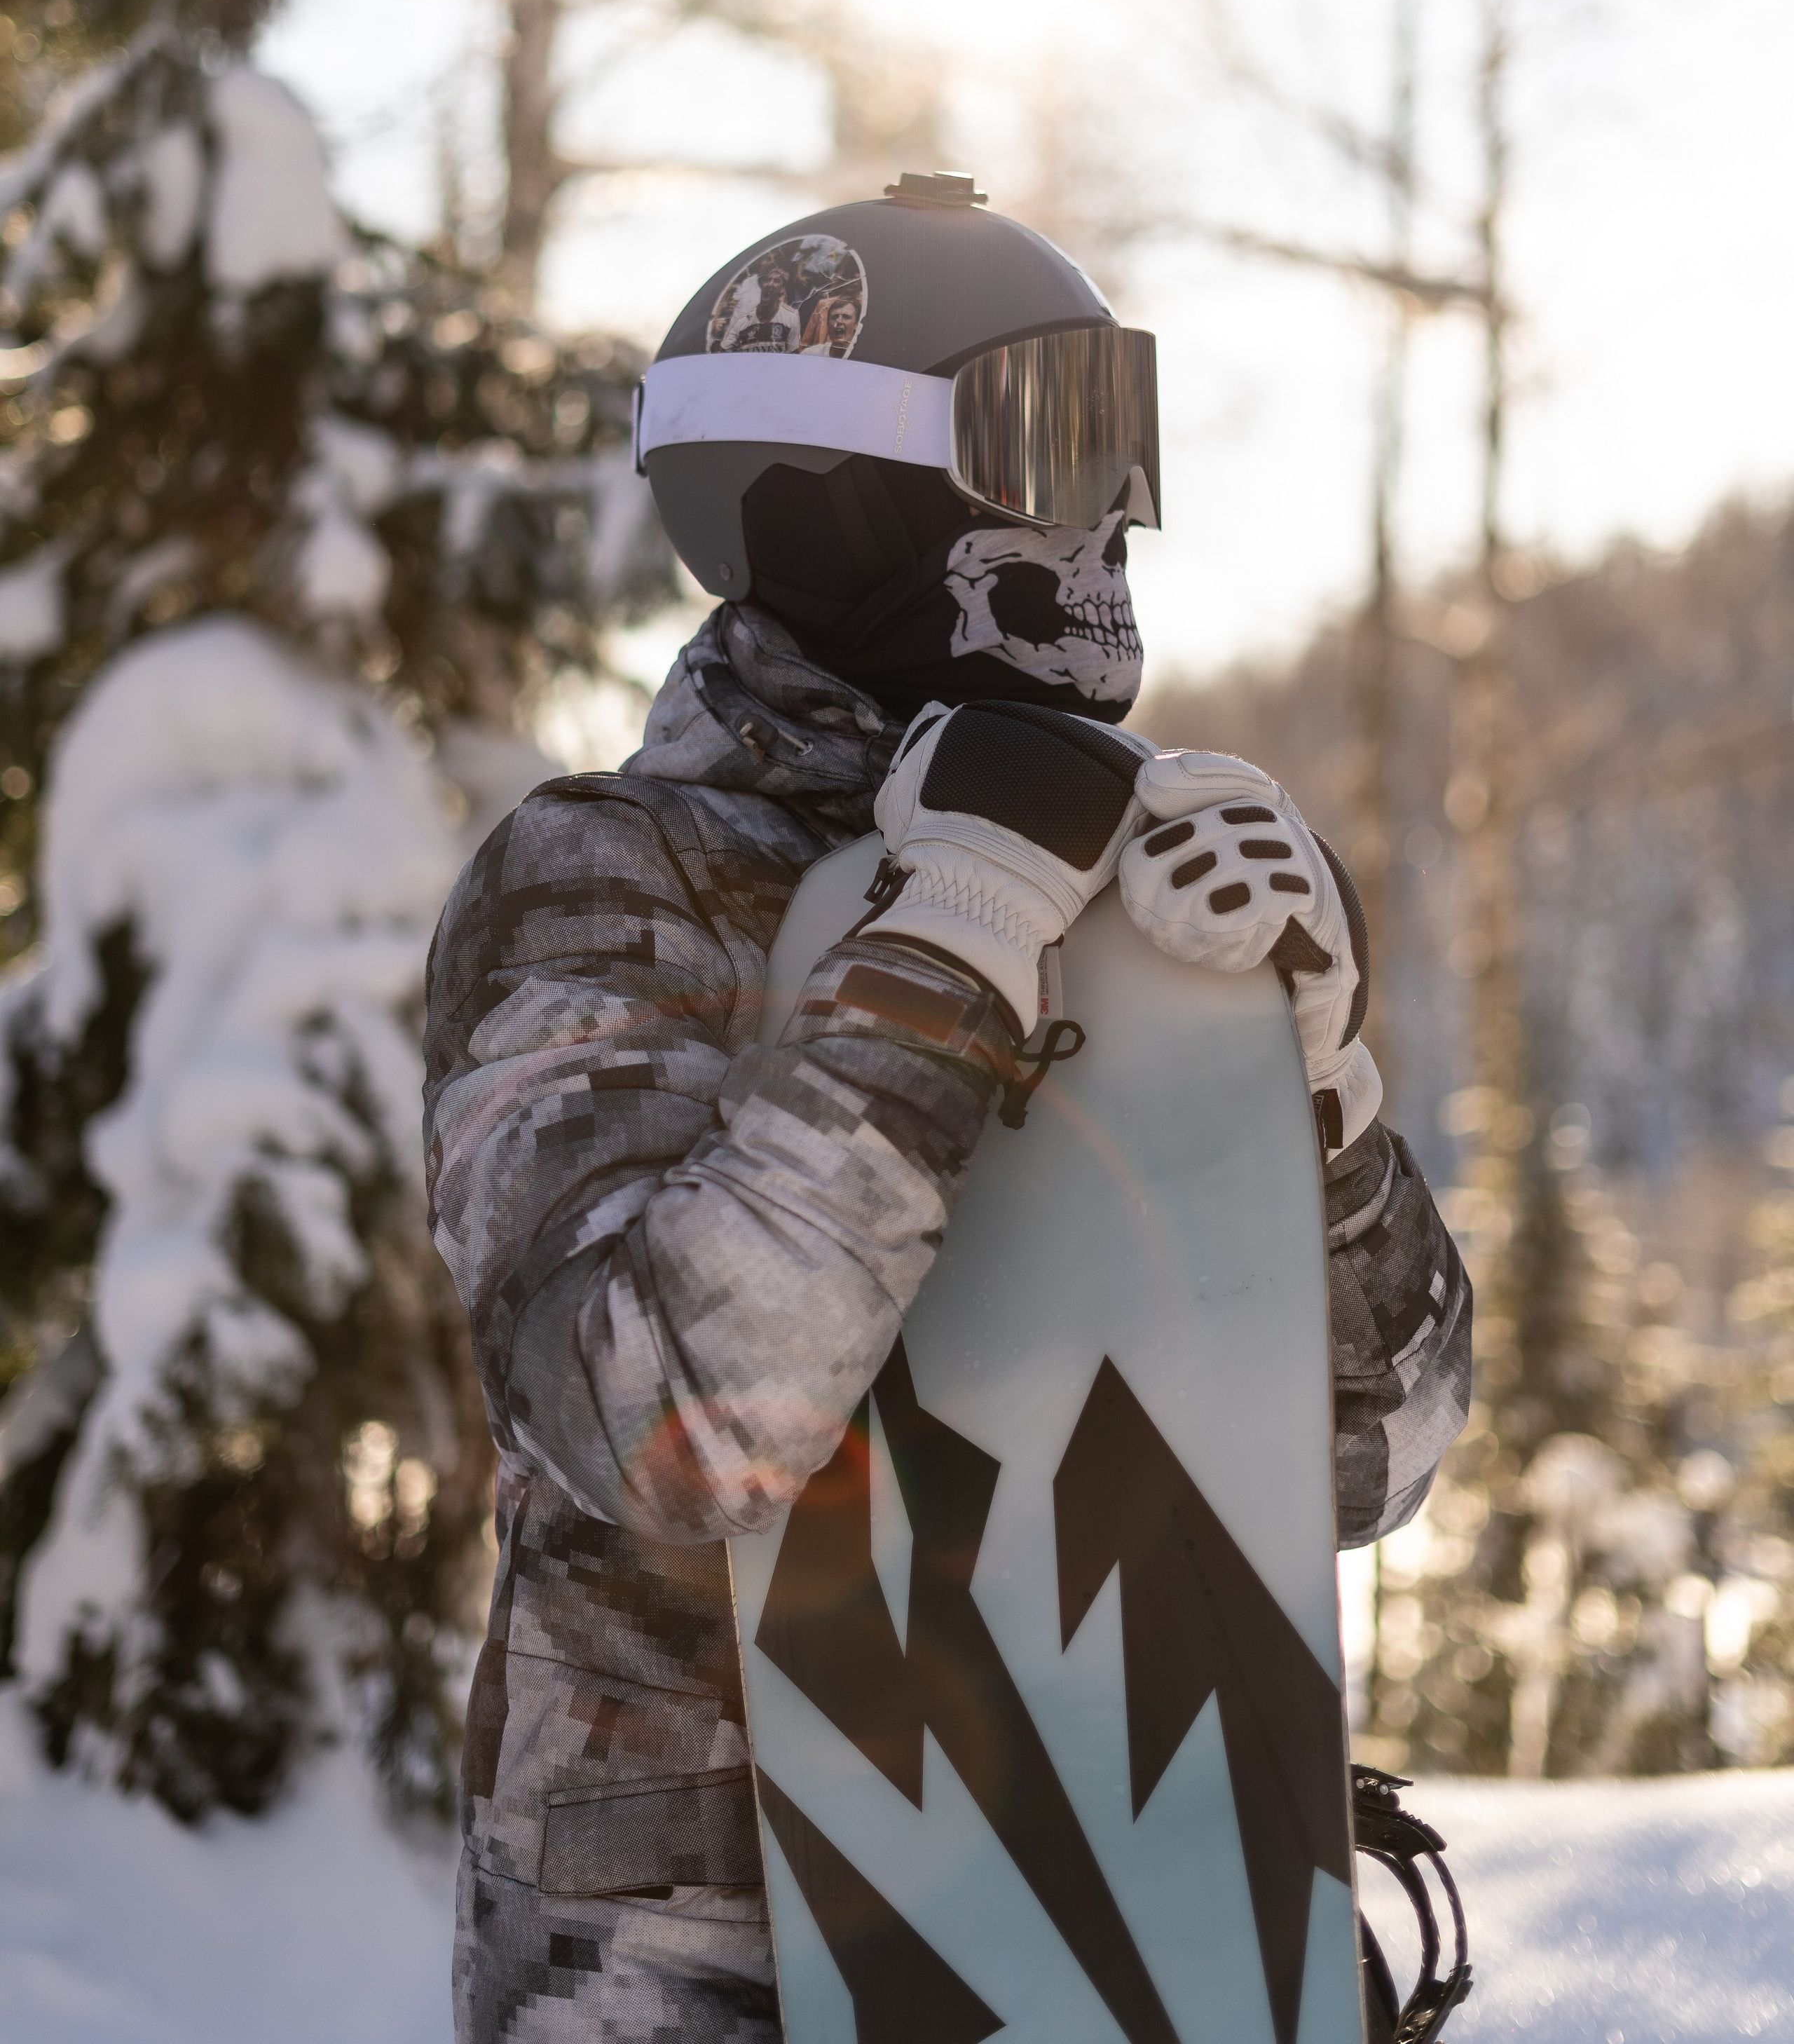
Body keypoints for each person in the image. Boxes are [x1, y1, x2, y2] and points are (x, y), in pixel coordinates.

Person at [424, 178, 1472, 2044]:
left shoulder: (1142, 887)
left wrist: (1311, 1092)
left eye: (1121, 450)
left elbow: (1365, 1466)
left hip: (1086, 1914)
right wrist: (952, 945)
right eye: (1048, 441)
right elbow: (654, 1426)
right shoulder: (602, 876)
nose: (1104, 515)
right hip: (695, 1964)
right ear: (822, 493)